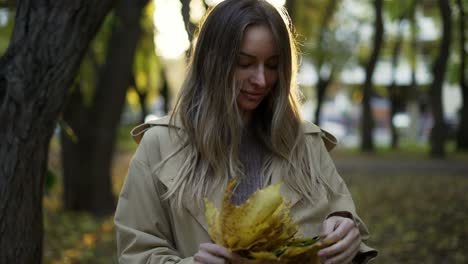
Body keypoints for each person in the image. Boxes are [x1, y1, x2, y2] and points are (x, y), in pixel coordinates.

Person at [114, 0, 378, 263]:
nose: (262, 80)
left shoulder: (306, 142)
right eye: (245, 63)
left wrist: (344, 227)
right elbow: (137, 252)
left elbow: (341, 217)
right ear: (211, 62)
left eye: (273, 65)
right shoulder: (160, 144)